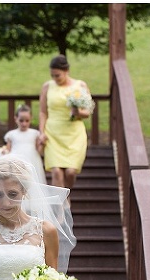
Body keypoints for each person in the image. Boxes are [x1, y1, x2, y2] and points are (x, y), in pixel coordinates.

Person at [38, 54, 93, 192]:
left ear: (66, 71)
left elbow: (87, 112)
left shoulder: (80, 85)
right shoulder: (47, 87)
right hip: (53, 134)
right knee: (56, 171)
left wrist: (77, 112)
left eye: (57, 75)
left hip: (73, 135)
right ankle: (61, 203)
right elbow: (43, 112)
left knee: (70, 172)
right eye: (52, 75)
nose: (55, 78)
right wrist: (41, 132)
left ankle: (66, 196)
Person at [0, 104, 47, 185]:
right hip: (17, 160)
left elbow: (39, 151)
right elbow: (8, 149)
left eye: (27, 121)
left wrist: (42, 143)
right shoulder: (11, 134)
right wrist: (4, 151)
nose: (24, 124)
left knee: (33, 180)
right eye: (21, 120)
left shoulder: (35, 134)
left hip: (32, 160)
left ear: (31, 118)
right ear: (16, 119)